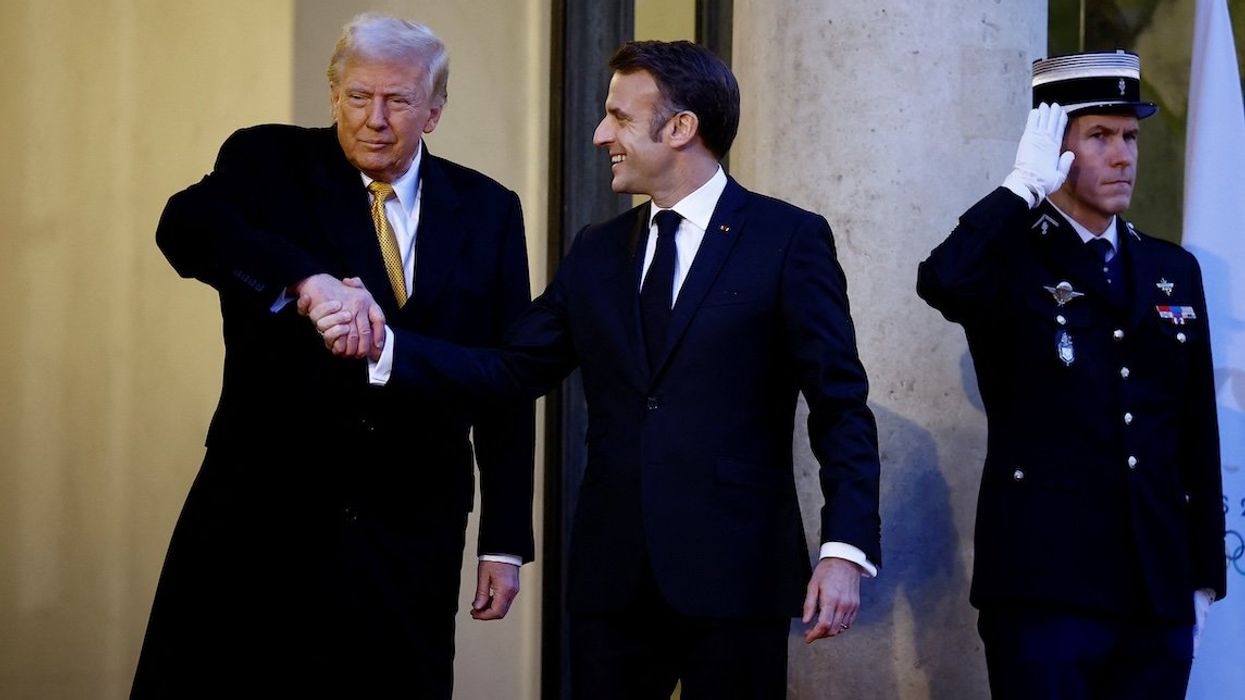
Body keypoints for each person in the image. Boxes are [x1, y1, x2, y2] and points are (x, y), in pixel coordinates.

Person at [315, 40, 881, 699]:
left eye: (617, 116)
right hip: (611, 582)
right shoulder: (596, 250)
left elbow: (839, 404)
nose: (599, 134)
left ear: (679, 128)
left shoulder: (786, 239)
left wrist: (843, 549)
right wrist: (386, 345)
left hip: (735, 576)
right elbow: (512, 370)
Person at [132, 14, 534, 698]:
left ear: (433, 112)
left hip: (411, 527)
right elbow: (185, 227)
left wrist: (503, 540)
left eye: (398, 101)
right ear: (333, 96)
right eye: (357, 97)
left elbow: (503, 379)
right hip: (263, 518)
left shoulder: (489, 209)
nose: (374, 119)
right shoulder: (267, 163)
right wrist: (305, 280)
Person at [917, 50, 1226, 698]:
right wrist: (1017, 189)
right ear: (1052, 147)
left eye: (1130, 136)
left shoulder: (1170, 268)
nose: (1122, 156)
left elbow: (1194, 427)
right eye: (1099, 136)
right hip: (1046, 587)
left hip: (1156, 590)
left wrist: (1201, 578)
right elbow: (940, 280)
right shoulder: (1007, 258)